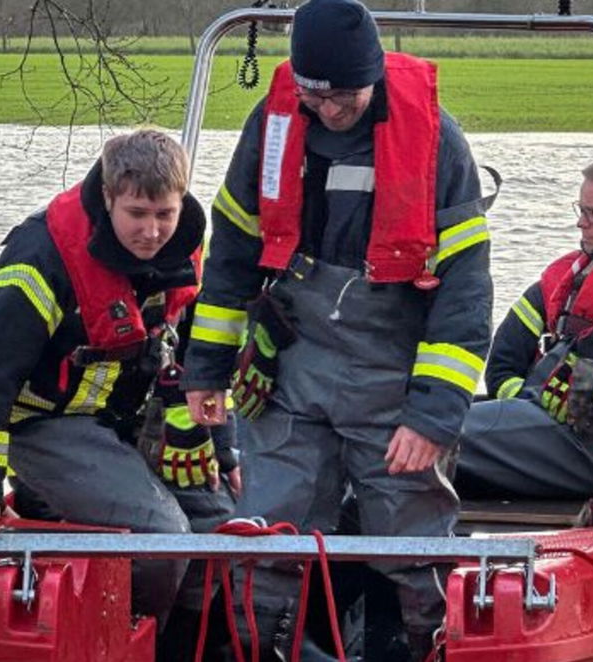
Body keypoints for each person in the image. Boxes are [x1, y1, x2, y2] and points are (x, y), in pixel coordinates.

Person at [180, 0, 493, 658]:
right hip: (291, 365)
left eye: (346, 95)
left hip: (392, 375)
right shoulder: (270, 128)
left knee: (412, 544)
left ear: (374, 76)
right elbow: (233, 252)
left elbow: (465, 292)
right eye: (317, 96)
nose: (331, 110)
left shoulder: (437, 141)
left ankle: (428, 647)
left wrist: (433, 417)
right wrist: (206, 369)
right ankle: (251, 648)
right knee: (269, 534)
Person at [0, 129, 238, 648]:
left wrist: (222, 448)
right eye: (137, 214)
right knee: (162, 534)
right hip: (45, 424)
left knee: (222, 525)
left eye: (165, 214)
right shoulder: (45, 254)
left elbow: (203, 363)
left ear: (182, 201)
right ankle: (136, 643)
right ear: (108, 199)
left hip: (127, 420)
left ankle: (199, 644)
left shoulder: (188, 247)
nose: (152, 232)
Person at [455, 152, 593, 506]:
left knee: (432, 433)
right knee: (427, 413)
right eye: (579, 210)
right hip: (547, 421)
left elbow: (592, 415)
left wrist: (559, 399)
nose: (581, 223)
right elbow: (503, 359)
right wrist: (521, 401)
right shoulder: (564, 278)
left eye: (592, 213)